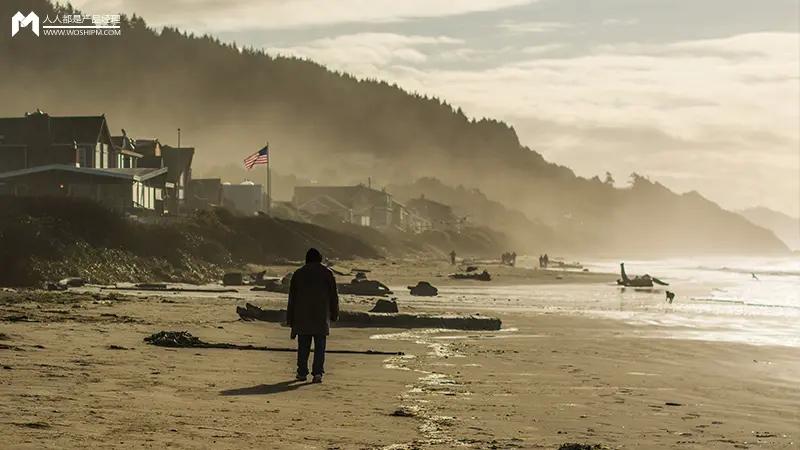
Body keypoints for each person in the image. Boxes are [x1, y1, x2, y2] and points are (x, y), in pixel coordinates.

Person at [286, 248, 339, 383]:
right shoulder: (327, 273)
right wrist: (334, 313)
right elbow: (333, 296)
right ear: (320, 259)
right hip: (321, 315)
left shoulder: (298, 274)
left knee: (303, 346)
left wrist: (290, 318)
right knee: (320, 347)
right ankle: (317, 373)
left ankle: (302, 373)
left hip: (302, 315)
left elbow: (292, 298)